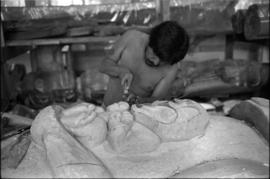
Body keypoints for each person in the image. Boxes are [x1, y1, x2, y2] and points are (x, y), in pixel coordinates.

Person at [99, 21, 189, 106]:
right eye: (154, 54)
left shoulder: (171, 69)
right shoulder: (131, 38)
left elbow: (156, 101)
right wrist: (120, 71)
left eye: (162, 62)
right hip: (108, 111)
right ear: (150, 40)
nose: (155, 62)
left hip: (139, 119)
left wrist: (138, 101)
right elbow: (103, 65)